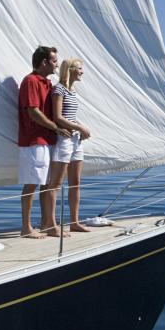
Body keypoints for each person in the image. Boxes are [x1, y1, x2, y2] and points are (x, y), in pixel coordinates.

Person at [18, 46, 71, 238]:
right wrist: (56, 128)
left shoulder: (48, 84)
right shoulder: (31, 81)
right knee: (31, 183)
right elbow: (33, 111)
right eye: (55, 61)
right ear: (44, 62)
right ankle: (26, 227)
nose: (57, 64)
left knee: (45, 183)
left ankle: (46, 224)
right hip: (35, 141)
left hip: (47, 140)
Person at [44, 58, 93, 233]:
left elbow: (69, 116)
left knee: (76, 182)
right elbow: (58, 117)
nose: (82, 71)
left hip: (76, 140)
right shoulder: (59, 89)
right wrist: (80, 127)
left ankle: (74, 222)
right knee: (55, 184)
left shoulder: (72, 91)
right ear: (70, 70)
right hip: (64, 140)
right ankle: (51, 224)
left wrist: (81, 129)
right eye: (80, 68)